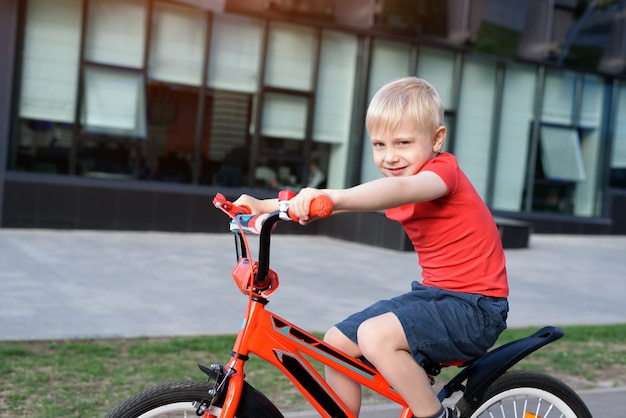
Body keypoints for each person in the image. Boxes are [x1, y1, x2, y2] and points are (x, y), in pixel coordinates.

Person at [233, 77, 509, 418]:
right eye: (379, 145)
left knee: (375, 336)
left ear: (437, 139)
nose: (390, 157)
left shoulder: (441, 175)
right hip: (434, 295)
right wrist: (264, 206)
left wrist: (328, 198)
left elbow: (397, 191)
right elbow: (351, 202)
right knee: (334, 343)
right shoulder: (404, 178)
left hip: (476, 308)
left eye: (403, 142)